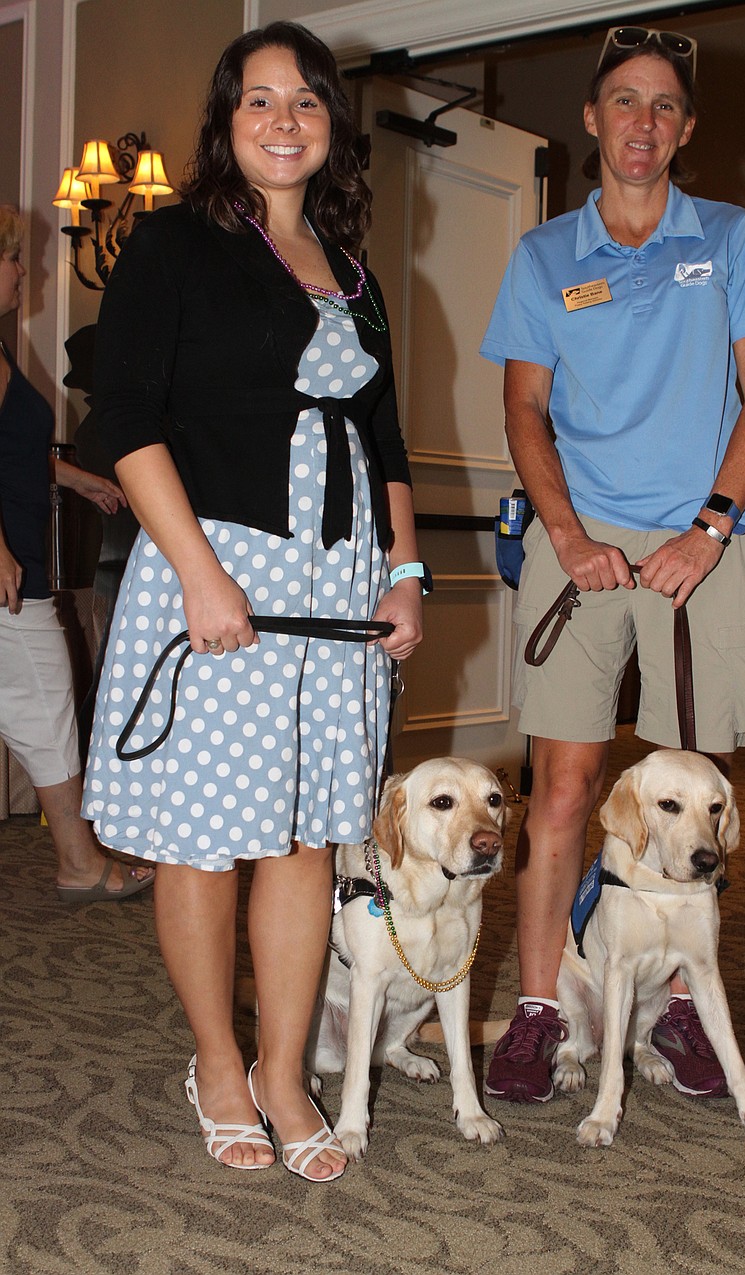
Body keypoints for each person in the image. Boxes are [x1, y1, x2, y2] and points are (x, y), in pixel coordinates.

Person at [82, 22, 425, 1178]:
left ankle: (284, 1072)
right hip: (218, 567)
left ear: (333, 126)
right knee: (208, 837)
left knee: (305, 836)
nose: (285, 121)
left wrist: (404, 574)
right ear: (226, 122)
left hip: (338, 583)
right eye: (260, 100)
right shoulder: (174, 243)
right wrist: (200, 575)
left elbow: (384, 439)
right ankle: (220, 1066)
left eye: (307, 101)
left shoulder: (357, 273)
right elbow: (123, 418)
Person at [479, 27, 745, 1104]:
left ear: (686, 129)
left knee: (689, 798)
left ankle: (675, 1008)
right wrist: (568, 536)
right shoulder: (544, 256)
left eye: (665, 106)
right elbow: (523, 407)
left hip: (703, 552)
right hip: (579, 548)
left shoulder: (733, 239)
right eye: (624, 100)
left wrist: (707, 529)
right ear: (592, 116)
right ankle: (538, 1008)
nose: (643, 122)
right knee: (564, 790)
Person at [0, 204, 154, 903]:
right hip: (12, 572)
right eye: (13, 258)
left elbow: (13, 452)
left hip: (17, 558)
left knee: (41, 703)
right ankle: (79, 862)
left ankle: (78, 858)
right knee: (46, 702)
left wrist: (77, 479)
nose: (23, 271)